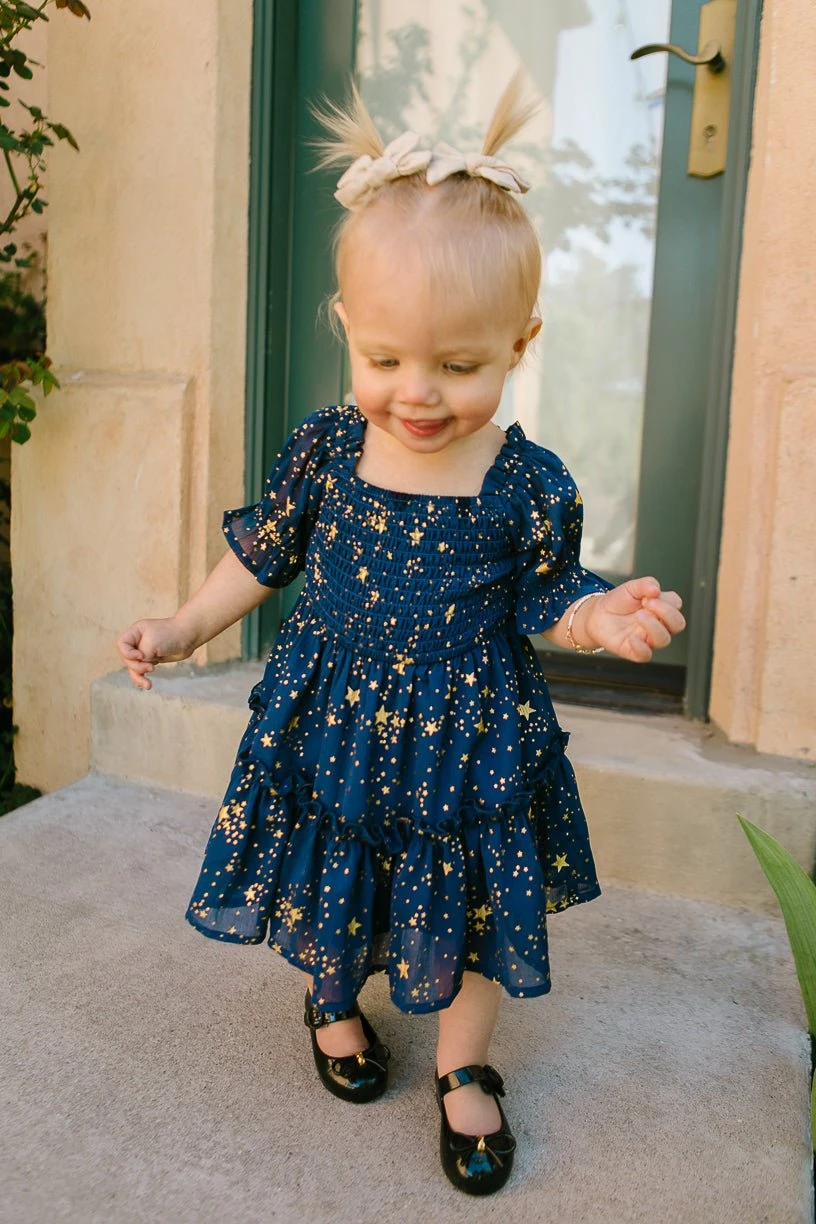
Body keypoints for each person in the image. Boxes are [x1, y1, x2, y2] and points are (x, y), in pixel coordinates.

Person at [116, 73, 685, 1196]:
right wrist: (183, 625)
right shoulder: (329, 450)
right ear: (347, 329)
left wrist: (599, 615)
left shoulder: (526, 481)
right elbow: (264, 555)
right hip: (336, 720)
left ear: (519, 342)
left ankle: (465, 1065)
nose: (418, 394)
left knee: (472, 902)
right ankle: (331, 1001)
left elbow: (546, 594)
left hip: (471, 738)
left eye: (459, 367)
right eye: (385, 360)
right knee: (338, 871)